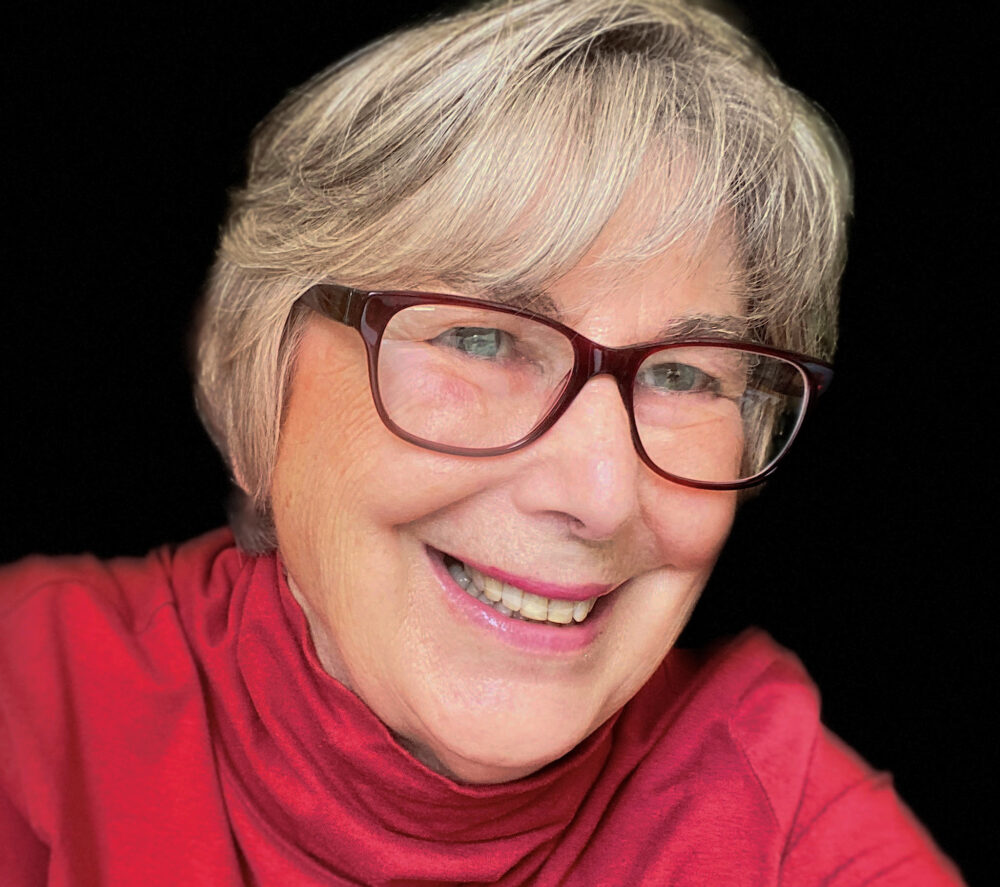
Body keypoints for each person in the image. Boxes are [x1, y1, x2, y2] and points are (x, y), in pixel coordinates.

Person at [0, 0, 966, 883]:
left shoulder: (799, 837)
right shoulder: (35, 705)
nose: (598, 491)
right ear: (262, 383)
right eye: (481, 337)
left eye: (682, 374)